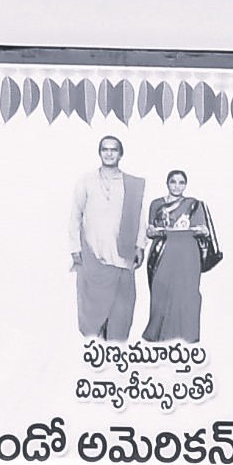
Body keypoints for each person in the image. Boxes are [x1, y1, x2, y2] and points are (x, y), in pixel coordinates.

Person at [72, 136, 147, 340]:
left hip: (122, 253)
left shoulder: (131, 184)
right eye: (105, 149)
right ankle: (97, 350)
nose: (109, 153)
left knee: (121, 308)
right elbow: (75, 216)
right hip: (94, 254)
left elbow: (141, 217)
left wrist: (140, 246)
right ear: (100, 152)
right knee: (94, 307)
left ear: (120, 154)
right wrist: (75, 249)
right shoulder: (86, 180)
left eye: (113, 150)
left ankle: (115, 351)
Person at [143, 169, 219, 343]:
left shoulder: (194, 204)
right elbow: (150, 230)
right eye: (173, 182)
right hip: (163, 250)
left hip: (187, 252)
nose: (177, 186)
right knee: (160, 291)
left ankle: (187, 334)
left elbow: (204, 229)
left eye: (181, 182)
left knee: (187, 292)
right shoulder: (156, 204)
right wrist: (154, 231)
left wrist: (200, 229)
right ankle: (159, 334)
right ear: (167, 183)